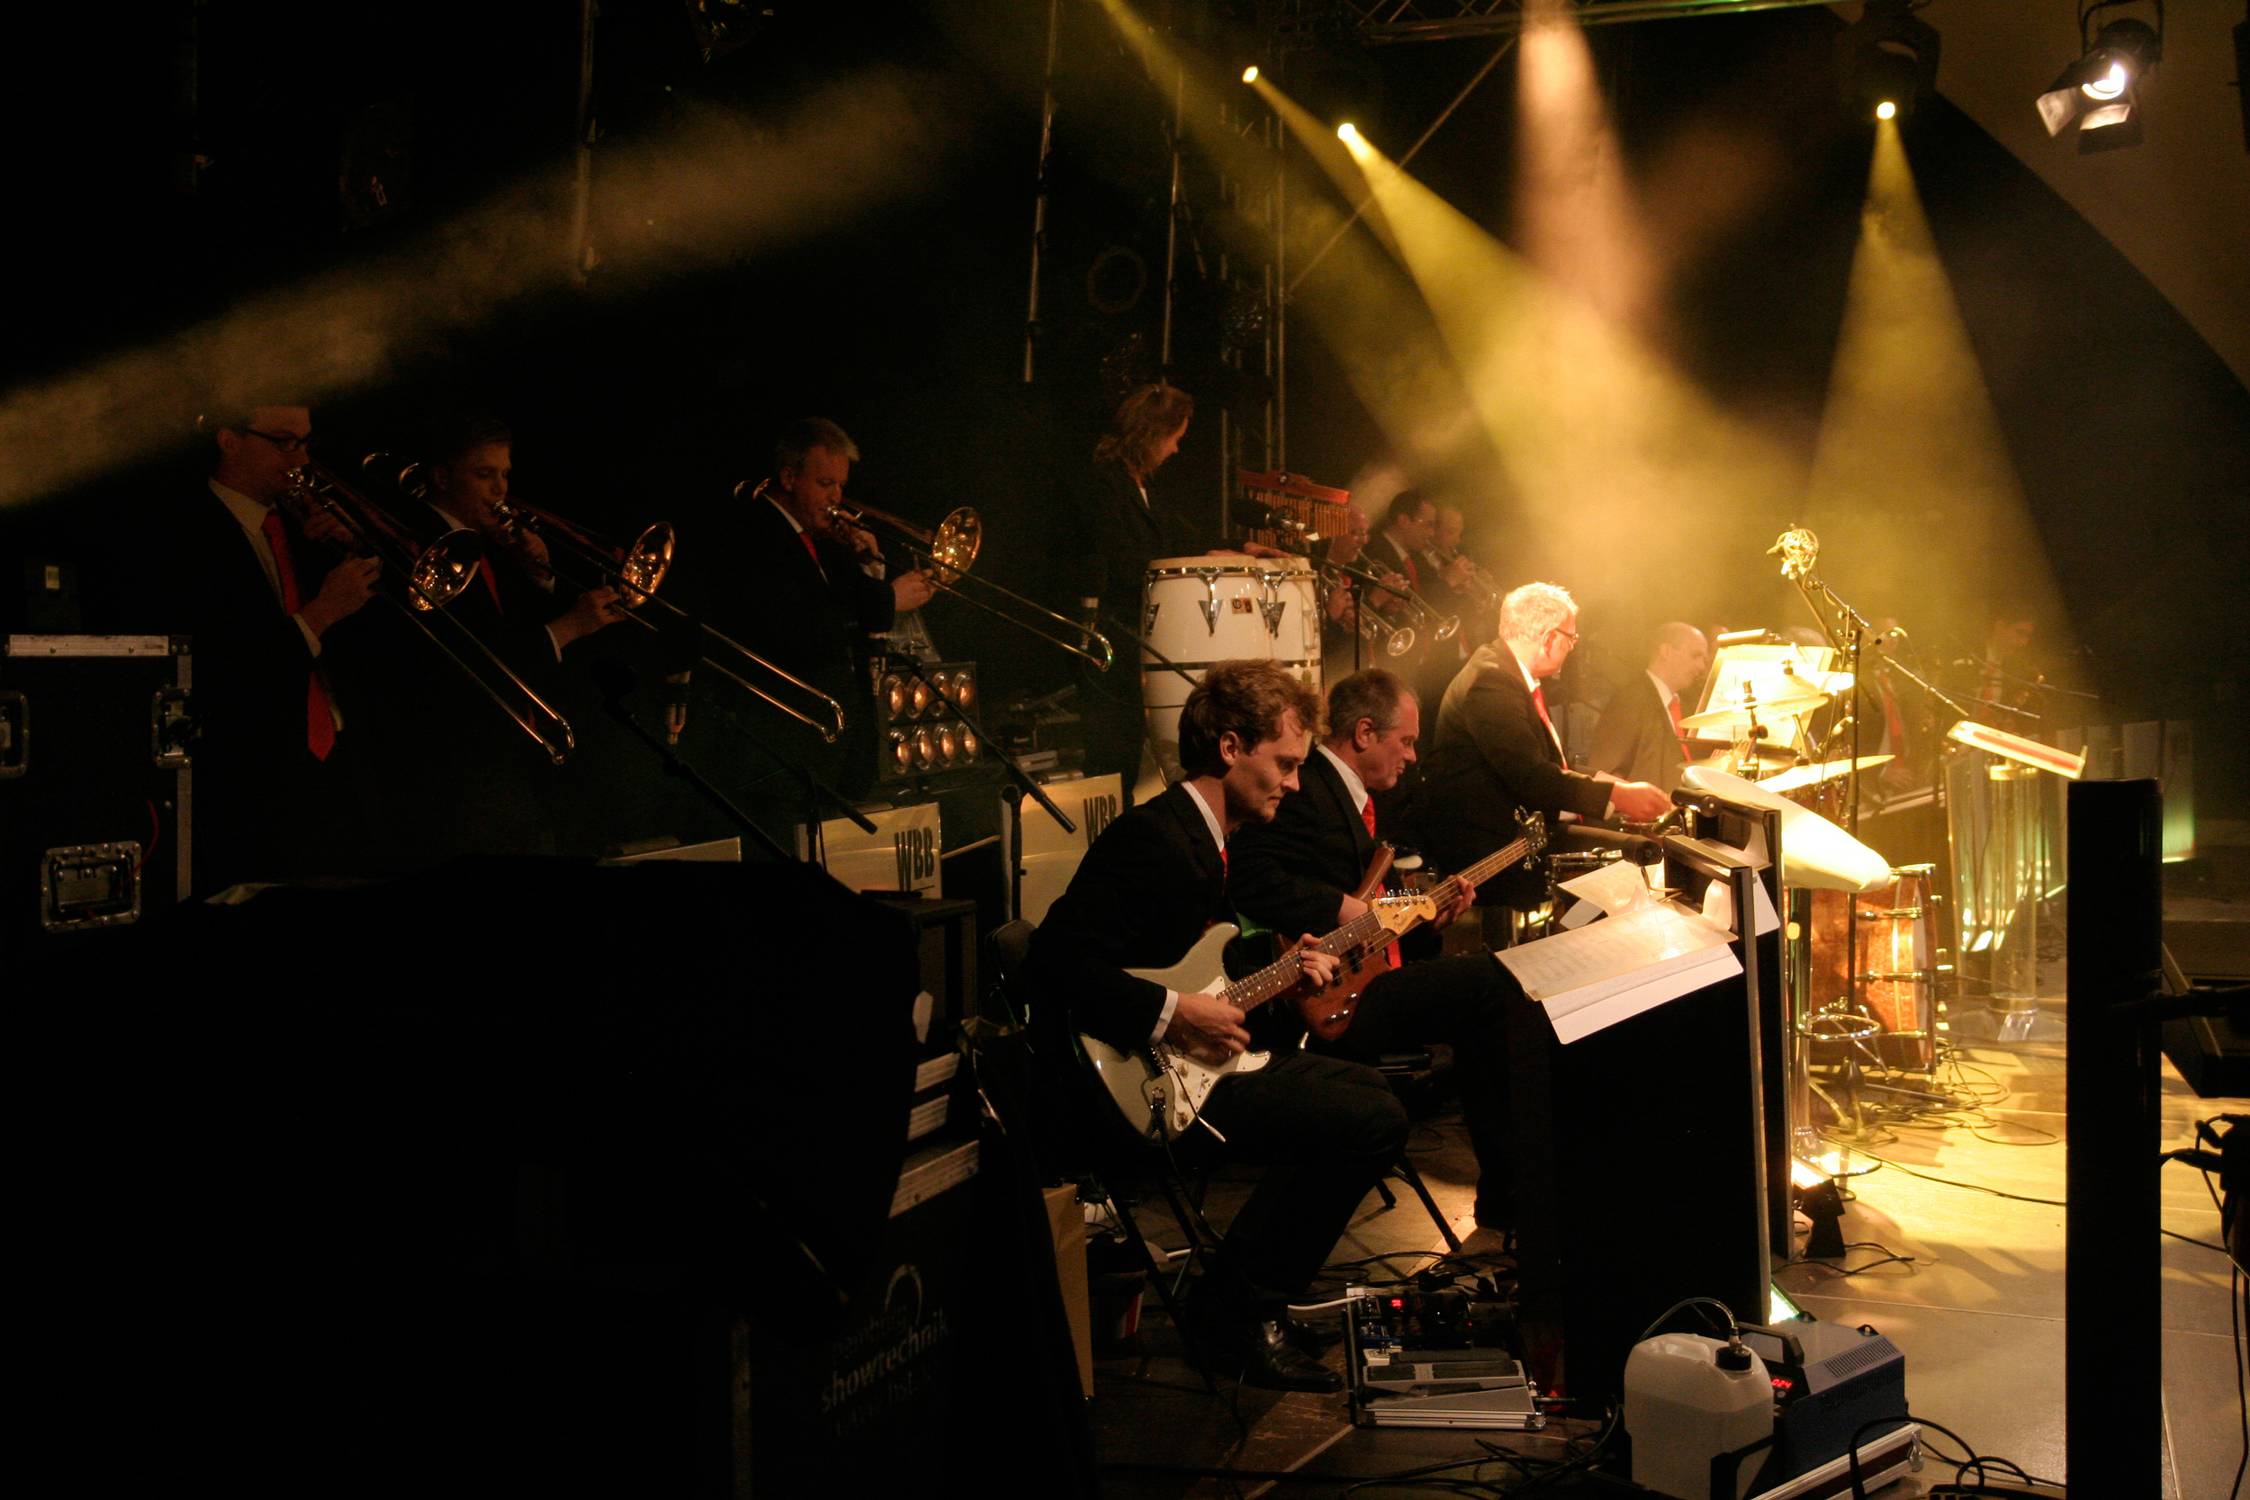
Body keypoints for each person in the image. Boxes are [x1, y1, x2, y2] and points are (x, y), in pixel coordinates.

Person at [1024, 660, 1408, 1390]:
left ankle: (1248, 1299)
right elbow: (1051, 964)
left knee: (1372, 1098)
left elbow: (1182, 966)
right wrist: (1174, 1014)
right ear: (1231, 748)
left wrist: (1282, 966)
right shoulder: (1155, 838)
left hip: (1182, 1065)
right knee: (1368, 1120)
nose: (1295, 784)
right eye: (1285, 764)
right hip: (1128, 1088)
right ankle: (1234, 1313)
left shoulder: (1206, 838)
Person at [1227, 668, 1526, 1238]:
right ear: (1364, 733)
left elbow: (1375, 926)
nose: (1412, 756)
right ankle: (1509, 1197)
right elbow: (1247, 875)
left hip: (1359, 979)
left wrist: (1429, 923)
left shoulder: (1350, 798)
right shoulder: (1308, 788)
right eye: (1405, 741)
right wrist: (1340, 908)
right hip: (1313, 997)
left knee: (1487, 994)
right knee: (1493, 983)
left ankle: (1509, 1190)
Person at [102, 404, 381, 892]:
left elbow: (362, 654)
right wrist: (321, 613)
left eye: (305, 443)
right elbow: (224, 669)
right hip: (249, 786)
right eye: (284, 442)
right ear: (229, 441)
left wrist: (350, 551)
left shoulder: (300, 529)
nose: (301, 460)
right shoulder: (179, 534)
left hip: (329, 774)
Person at [671, 418, 934, 842]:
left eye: (841, 486)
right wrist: (887, 599)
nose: (837, 499)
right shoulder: (754, 532)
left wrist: (871, 568)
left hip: (821, 756)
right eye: (825, 484)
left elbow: (850, 615)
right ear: (789, 477)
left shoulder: (823, 540)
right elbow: (794, 630)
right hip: (776, 752)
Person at [1415, 582, 1673, 926]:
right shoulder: (1491, 682)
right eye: (1571, 638)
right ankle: (1576, 943)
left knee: (1628, 851)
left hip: (1521, 833)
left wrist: (1608, 783)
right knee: (1634, 857)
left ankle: (1575, 935)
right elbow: (1530, 775)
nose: (1572, 647)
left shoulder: (1503, 672)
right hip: (1495, 850)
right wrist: (1616, 795)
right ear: (1549, 638)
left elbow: (1540, 763)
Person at [1073, 383, 1200, 798]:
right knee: (1114, 757)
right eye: (1174, 438)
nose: (1177, 449)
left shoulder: (1147, 489)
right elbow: (1120, 560)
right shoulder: (1104, 485)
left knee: (1136, 756)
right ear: (1151, 434)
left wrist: (1237, 546)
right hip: (1112, 635)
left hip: (1140, 636)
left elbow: (1182, 536)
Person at [1586, 622, 1709, 791]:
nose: (1701, 667)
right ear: (1666, 651)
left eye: (1704, 660)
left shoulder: (1683, 706)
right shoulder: (1630, 701)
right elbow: (1604, 773)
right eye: (1695, 656)